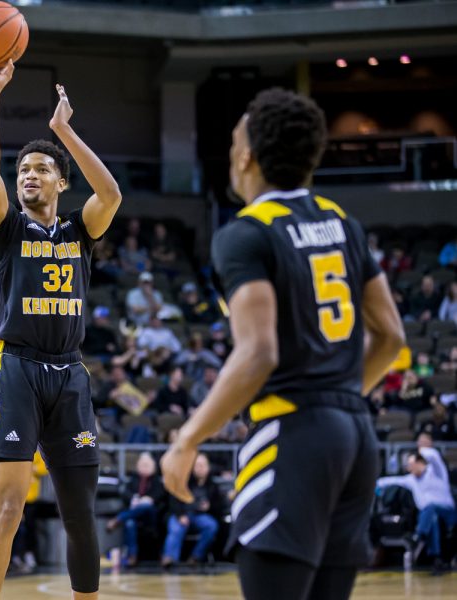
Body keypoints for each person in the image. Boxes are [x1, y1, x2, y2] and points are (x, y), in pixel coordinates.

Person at [160, 88, 405, 600]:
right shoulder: (342, 223)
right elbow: (391, 336)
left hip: (293, 437)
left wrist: (187, 439)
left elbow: (257, 353)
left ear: (247, 154)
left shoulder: (246, 232)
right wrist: (335, 394)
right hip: (356, 439)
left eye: (232, 142)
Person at [0, 56, 122, 600]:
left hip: (70, 376)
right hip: (16, 369)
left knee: (80, 512)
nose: (27, 176)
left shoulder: (80, 231)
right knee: (8, 505)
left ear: (59, 180)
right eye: (23, 171)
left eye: (39, 169)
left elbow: (111, 195)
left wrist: (63, 131)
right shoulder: (6, 229)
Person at [377, 450, 456, 573]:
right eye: (408, 465)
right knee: (432, 517)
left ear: (420, 463)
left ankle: (417, 536)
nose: (409, 468)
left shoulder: (436, 472)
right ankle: (436, 559)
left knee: (430, 507)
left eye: (411, 464)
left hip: (448, 513)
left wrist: (422, 449)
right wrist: (374, 485)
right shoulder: (411, 479)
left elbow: (434, 457)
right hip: (429, 515)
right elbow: (390, 481)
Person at [162, 453, 222, 568]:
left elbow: (219, 506)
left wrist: (209, 507)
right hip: (182, 514)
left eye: (202, 465)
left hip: (199, 516)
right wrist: (180, 515)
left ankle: (196, 556)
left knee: (211, 526)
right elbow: (173, 500)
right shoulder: (183, 482)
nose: (200, 468)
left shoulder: (213, 485)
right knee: (176, 528)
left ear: (208, 467)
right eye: (197, 465)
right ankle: (169, 558)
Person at [106, 452, 162, 567]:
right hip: (134, 514)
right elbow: (125, 493)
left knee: (146, 506)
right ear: (138, 466)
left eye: (147, 465)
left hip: (151, 517)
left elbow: (160, 497)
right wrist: (133, 498)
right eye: (142, 465)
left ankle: (118, 519)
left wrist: (149, 499)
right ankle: (132, 556)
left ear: (153, 467)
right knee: (130, 523)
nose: (145, 467)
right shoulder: (133, 480)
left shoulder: (157, 482)